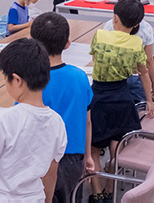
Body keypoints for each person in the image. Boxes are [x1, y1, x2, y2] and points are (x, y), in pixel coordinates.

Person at [0, 38, 67, 202]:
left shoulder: (3, 120)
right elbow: (51, 173)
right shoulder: (57, 122)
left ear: (16, 80)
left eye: (5, 77)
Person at [88, 0, 154, 198]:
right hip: (122, 98)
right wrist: (150, 101)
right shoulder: (137, 43)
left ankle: (96, 193)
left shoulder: (100, 35)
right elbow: (143, 73)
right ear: (137, 24)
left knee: (94, 148)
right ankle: (111, 191)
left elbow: (94, 58)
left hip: (99, 97)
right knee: (116, 151)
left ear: (114, 18)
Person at [30, 12, 94, 203]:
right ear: (67, 43)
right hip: (73, 158)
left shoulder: (30, 81)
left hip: (39, 158)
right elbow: (87, 121)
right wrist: (88, 156)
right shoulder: (80, 77)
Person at [103, 0, 154, 101]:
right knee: (139, 109)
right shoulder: (145, 27)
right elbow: (149, 60)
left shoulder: (109, 25)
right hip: (137, 78)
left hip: (114, 78)